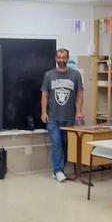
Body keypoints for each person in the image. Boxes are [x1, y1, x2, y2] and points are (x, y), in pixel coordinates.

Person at [41, 48, 84, 183]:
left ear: (68, 58)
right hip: (53, 117)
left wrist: (79, 111)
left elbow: (80, 93)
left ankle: (59, 169)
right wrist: (43, 112)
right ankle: (58, 170)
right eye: (59, 57)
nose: (61, 60)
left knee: (66, 144)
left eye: (64, 57)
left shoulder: (75, 75)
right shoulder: (49, 75)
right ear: (55, 58)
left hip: (70, 118)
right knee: (57, 144)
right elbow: (44, 94)